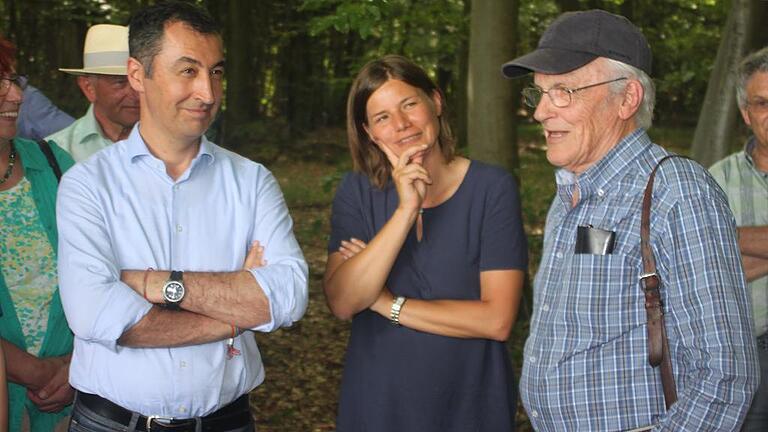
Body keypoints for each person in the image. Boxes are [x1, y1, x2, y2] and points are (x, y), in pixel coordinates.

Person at [502, 9, 758, 431]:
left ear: (628, 98)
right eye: (539, 94)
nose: (540, 112)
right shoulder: (571, 196)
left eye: (563, 91)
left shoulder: (676, 192)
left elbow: (726, 375)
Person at [56, 2, 308, 431]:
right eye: (188, 71)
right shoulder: (86, 185)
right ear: (138, 74)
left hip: (226, 422)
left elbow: (288, 297)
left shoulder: (251, 181)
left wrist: (155, 284)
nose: (208, 93)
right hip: (112, 423)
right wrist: (236, 315)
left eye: (216, 72)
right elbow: (96, 316)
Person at [324, 55, 528, 431]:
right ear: (369, 132)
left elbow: (497, 320)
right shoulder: (356, 192)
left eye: (409, 105)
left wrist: (386, 303)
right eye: (383, 117)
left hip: (470, 406)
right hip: (377, 406)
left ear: (435, 102)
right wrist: (405, 211)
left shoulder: (491, 189)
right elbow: (343, 301)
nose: (401, 125)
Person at [0, 35, 76, 432]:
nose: (15, 96)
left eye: (14, 81)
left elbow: (109, 272)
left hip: (75, 397)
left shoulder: (55, 163)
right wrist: (34, 371)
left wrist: (74, 367)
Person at [709, 46, 768, 431]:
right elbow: (706, 268)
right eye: (762, 103)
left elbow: (717, 251)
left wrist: (729, 238)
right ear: (747, 114)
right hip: (748, 353)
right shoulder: (715, 180)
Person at [46, 24, 139, 162]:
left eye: (140, 80)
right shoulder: (57, 153)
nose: (136, 93)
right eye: (120, 82)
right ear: (88, 87)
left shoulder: (176, 142)